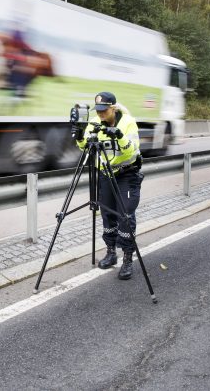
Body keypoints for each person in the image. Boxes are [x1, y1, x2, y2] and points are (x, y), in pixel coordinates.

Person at [72, 91, 144, 280]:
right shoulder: (94, 122)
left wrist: (119, 135)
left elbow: (132, 152)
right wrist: (79, 137)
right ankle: (111, 252)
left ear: (113, 108)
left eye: (104, 110)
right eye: (98, 110)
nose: (101, 114)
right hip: (105, 173)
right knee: (107, 214)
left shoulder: (128, 122)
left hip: (126, 174)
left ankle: (127, 257)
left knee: (125, 215)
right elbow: (85, 146)